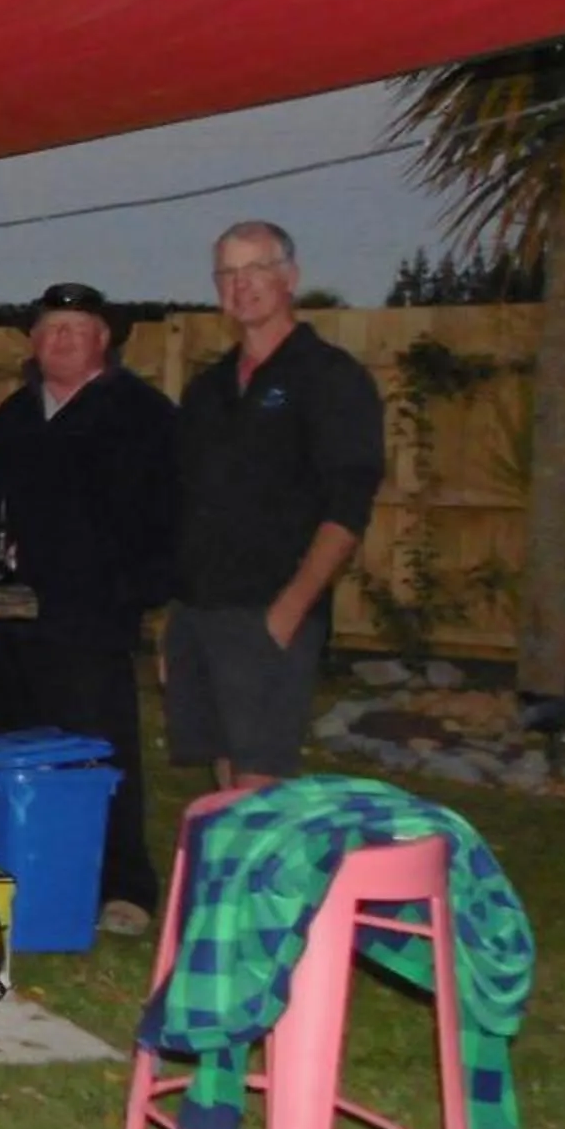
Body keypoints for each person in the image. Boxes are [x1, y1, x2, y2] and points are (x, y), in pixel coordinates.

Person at [0, 282, 179, 935]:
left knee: (98, 755)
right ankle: (2, 869)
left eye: (76, 329)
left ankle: (122, 888)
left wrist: (132, 591)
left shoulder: (143, 414)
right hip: (10, 616)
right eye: (50, 329)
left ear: (104, 339)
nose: (60, 339)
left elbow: (169, 516)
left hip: (90, 618)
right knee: (0, 745)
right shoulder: (16, 414)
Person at [169, 221, 386, 793]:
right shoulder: (208, 390)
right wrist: (176, 618)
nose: (242, 285)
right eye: (228, 273)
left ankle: (261, 884)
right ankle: (230, 883)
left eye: (256, 269)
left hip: (270, 610)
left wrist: (290, 609)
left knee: (258, 781)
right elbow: (187, 505)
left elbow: (348, 506)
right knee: (223, 772)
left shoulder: (329, 378)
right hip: (201, 610)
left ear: (289, 277)